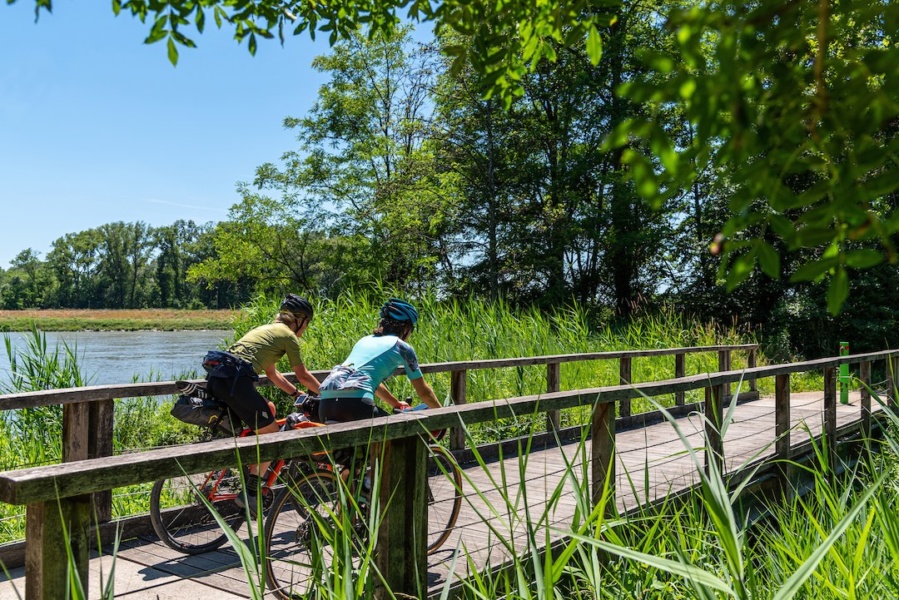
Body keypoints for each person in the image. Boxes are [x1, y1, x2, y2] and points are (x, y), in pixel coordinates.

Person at [202, 293, 320, 514]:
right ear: (300, 319)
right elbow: (302, 374)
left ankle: (250, 465)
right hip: (236, 384)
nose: (305, 329)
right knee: (273, 436)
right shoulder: (289, 336)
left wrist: (296, 394)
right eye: (307, 323)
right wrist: (325, 393)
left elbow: (272, 374)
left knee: (271, 409)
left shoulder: (265, 330)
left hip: (219, 380)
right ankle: (251, 492)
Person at [318, 298, 440, 423]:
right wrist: (443, 414)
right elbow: (424, 392)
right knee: (403, 437)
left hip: (325, 406)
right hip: (357, 406)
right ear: (406, 328)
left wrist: (395, 403)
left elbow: (365, 378)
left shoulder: (364, 340)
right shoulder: (401, 347)